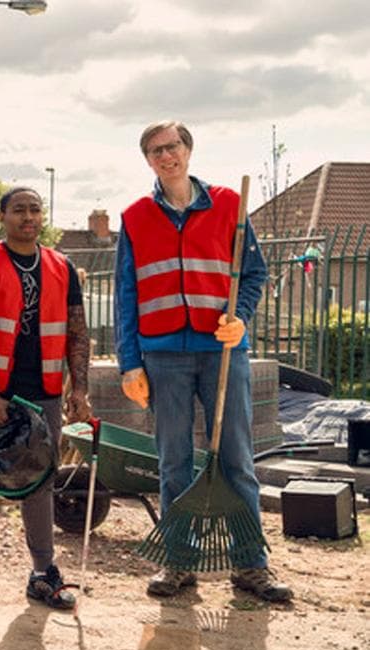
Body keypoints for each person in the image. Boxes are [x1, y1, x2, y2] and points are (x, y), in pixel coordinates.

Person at [116, 120, 291, 602]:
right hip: (162, 355)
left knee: (237, 459)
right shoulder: (135, 217)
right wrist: (130, 363)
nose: (165, 156)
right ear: (147, 160)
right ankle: (179, 562)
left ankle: (250, 564)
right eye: (154, 151)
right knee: (173, 460)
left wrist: (241, 318)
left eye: (171, 146)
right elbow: (127, 293)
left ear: (188, 150)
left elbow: (253, 274)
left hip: (222, 350)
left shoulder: (230, 205)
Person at [0, 187, 91, 611]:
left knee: (39, 482)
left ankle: (43, 574)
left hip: (44, 391)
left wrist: (79, 388)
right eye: (19, 210)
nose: (28, 217)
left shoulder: (61, 267)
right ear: (2, 216)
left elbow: (77, 332)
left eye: (34, 210)